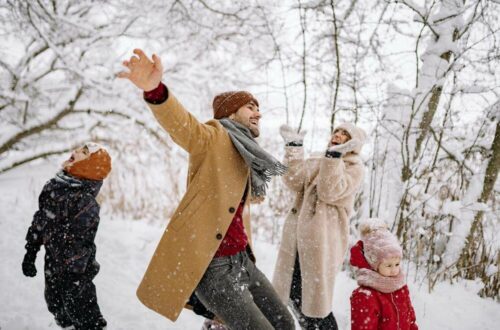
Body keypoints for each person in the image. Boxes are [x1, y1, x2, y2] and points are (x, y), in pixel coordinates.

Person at [118, 49, 295, 330]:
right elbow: (184, 127)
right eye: (250, 106)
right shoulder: (214, 137)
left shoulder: (246, 151)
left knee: (285, 322)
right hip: (214, 267)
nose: (258, 112)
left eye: (258, 107)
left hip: (242, 261)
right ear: (230, 112)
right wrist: (156, 91)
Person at [273, 123, 366, 329]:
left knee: (315, 305)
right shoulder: (317, 158)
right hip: (296, 240)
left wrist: (333, 158)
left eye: (345, 135)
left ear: (354, 144)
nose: (338, 135)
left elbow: (328, 191)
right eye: (337, 131)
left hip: (322, 242)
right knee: (291, 293)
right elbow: (293, 181)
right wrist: (294, 148)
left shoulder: (354, 167)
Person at [22, 143, 112, 330]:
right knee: (55, 304)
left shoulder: (85, 202)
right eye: (79, 148)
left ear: (90, 166)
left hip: (75, 270)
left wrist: (72, 276)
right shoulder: (54, 187)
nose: (76, 151)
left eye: (84, 153)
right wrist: (31, 251)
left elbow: (80, 242)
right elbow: (41, 220)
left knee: (81, 309)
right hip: (53, 261)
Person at [349, 219, 418, 330]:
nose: (394, 270)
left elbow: (410, 320)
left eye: (396, 264)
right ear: (374, 265)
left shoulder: (400, 287)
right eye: (388, 265)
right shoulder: (365, 295)